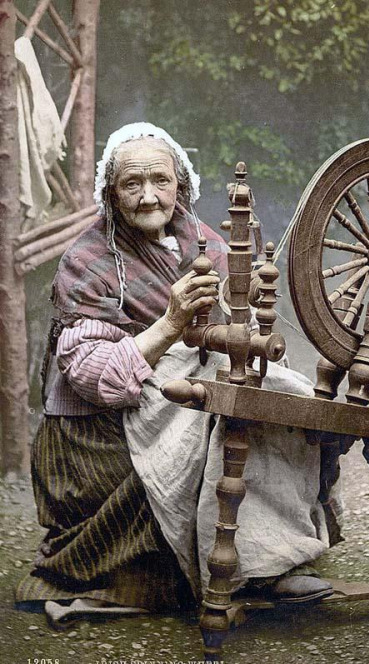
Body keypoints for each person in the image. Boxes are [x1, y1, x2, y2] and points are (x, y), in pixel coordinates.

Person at [16, 123, 340, 621]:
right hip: (97, 428)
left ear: (180, 185)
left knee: (281, 397)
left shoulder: (196, 234)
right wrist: (170, 323)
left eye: (160, 182)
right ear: (111, 193)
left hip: (171, 386)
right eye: (132, 184)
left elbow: (236, 317)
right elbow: (92, 376)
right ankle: (243, 569)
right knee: (213, 421)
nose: (149, 198)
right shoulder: (87, 261)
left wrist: (246, 296)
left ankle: (273, 554)